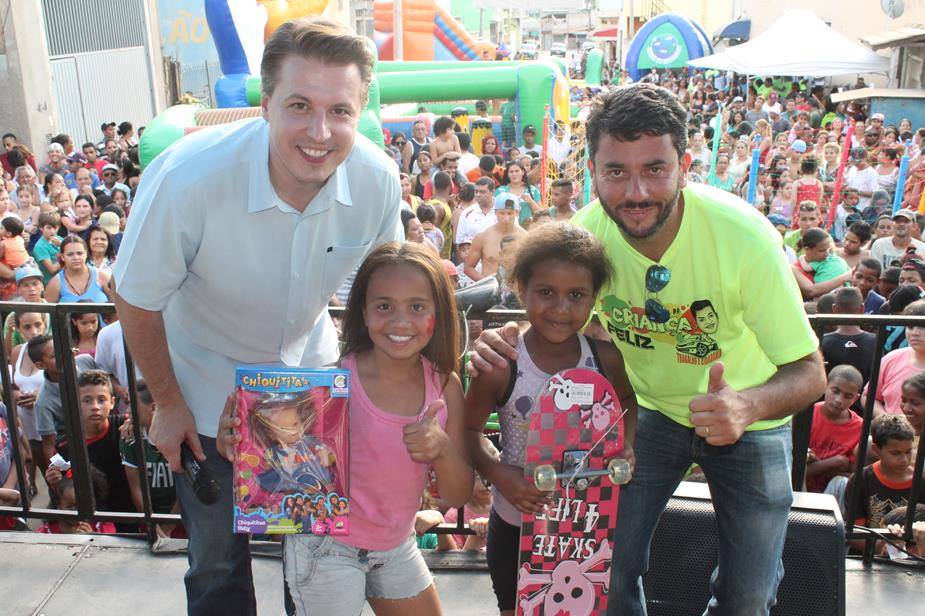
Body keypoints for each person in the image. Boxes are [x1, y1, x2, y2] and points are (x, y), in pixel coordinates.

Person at [469, 83, 825, 616]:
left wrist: (745, 406)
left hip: (750, 419)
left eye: (654, 169)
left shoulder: (744, 238)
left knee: (748, 594)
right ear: (592, 169)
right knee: (605, 566)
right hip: (646, 414)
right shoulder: (588, 237)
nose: (636, 192)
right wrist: (508, 338)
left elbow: (811, 371)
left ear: (684, 164)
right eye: (616, 171)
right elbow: (557, 314)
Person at [111, 18, 403, 615]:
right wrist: (167, 403)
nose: (320, 132)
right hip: (203, 386)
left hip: (310, 388)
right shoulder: (187, 177)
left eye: (339, 111)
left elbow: (387, 294)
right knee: (218, 562)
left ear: (360, 111)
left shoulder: (377, 179)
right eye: (300, 105)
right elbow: (135, 295)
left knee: (318, 562)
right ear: (265, 104)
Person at [219, 241, 472, 615]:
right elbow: (272, 448)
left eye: (417, 307)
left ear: (438, 313)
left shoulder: (445, 386)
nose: (401, 321)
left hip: (397, 546)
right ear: (364, 314)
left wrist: (442, 450)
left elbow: (457, 493)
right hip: (324, 549)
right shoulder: (331, 384)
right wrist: (240, 442)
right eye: (384, 306)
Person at [464, 222, 637, 615]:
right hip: (515, 524)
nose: (560, 308)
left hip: (586, 526)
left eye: (576, 295)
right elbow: (469, 429)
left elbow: (626, 401)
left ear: (594, 297)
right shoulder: (503, 363)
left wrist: (626, 444)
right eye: (546, 292)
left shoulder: (604, 359)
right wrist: (499, 473)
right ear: (521, 288)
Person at [847, 414, 920, 546]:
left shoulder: (921, 481)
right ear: (876, 450)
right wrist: (882, 547)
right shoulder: (861, 479)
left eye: (908, 452)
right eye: (896, 453)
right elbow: (853, 533)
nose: (904, 460)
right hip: (868, 558)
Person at [121, 380, 179, 538]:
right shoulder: (131, 438)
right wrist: (151, 522)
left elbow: (185, 489)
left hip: (182, 518)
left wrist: (168, 526)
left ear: (153, 408)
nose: (127, 411)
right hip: (149, 516)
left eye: (133, 405)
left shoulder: (180, 437)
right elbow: (136, 489)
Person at [806, 365, 864, 493]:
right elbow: (792, 467)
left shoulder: (859, 428)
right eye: (835, 391)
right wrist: (835, 462)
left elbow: (854, 476)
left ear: (856, 398)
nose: (839, 400)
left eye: (848, 396)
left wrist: (820, 467)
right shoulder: (807, 415)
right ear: (825, 385)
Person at [867, 299, 925, 417]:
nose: (915, 333)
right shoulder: (891, 359)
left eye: (922, 326)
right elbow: (869, 396)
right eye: (910, 326)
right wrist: (889, 421)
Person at [464, 193, 526, 283]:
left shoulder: (525, 238)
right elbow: (468, 267)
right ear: (495, 213)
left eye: (510, 213)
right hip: (490, 290)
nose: (506, 218)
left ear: (516, 213)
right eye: (502, 213)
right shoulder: (483, 237)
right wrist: (488, 284)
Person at [821, 287, 878, 385]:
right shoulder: (875, 341)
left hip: (830, 399)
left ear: (834, 309)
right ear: (862, 308)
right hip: (867, 399)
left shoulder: (823, 341)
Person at [44, 236, 111, 304]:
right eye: (70, 254)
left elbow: (118, 306)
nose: (76, 258)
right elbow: (48, 313)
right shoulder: (55, 283)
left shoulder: (102, 276)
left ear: (86, 254)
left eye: (79, 253)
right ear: (62, 257)